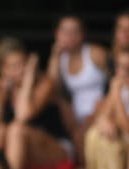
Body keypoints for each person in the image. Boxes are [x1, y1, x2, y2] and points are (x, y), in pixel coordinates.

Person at [0, 37, 71, 169]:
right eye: (14, 66)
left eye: (24, 63)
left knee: (16, 130)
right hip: (19, 150)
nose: (21, 69)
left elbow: (22, 114)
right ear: (3, 71)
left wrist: (28, 79)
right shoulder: (2, 90)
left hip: (56, 148)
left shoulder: (45, 84)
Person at [46, 15, 109, 160]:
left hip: (99, 107)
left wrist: (104, 108)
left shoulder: (95, 53)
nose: (69, 36)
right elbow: (51, 88)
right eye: (65, 31)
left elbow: (115, 79)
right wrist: (55, 56)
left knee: (81, 134)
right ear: (57, 34)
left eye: (74, 31)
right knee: (59, 102)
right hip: (75, 113)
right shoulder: (61, 58)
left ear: (82, 35)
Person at [83, 48, 129, 169]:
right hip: (118, 134)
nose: (122, 73)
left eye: (127, 68)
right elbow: (103, 114)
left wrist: (116, 94)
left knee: (113, 140)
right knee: (95, 134)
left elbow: (126, 126)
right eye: (120, 67)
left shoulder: (119, 91)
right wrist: (103, 121)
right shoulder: (118, 87)